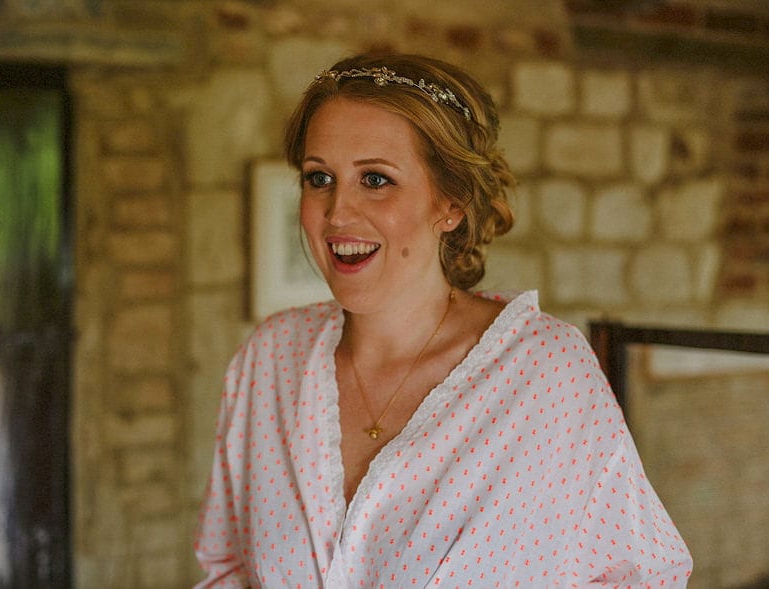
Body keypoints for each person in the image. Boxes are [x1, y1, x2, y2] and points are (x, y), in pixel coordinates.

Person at [193, 52, 692, 588]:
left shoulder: (545, 372)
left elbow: (643, 577)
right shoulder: (270, 359)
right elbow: (229, 569)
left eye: (376, 179)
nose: (337, 213)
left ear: (450, 203)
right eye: (319, 178)